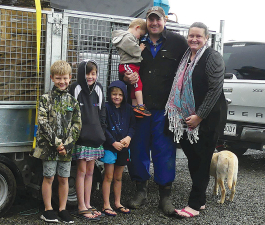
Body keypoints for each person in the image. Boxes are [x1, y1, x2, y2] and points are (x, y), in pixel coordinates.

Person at [120, 6, 188, 215]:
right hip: (139, 108)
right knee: (138, 149)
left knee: (164, 151)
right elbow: (123, 65)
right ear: (146, 22)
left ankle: (165, 196)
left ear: (165, 20)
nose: (154, 24)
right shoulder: (135, 41)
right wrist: (125, 78)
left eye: (158, 20)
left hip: (166, 109)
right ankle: (141, 190)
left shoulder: (178, 42)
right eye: (151, 20)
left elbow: (189, 68)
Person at [165, 22, 227, 218]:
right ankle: (200, 200)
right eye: (191, 36)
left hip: (208, 119)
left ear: (206, 38)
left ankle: (193, 205)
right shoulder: (186, 56)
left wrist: (199, 116)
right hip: (186, 119)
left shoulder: (212, 57)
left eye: (198, 36)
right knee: (193, 159)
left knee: (201, 160)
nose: (194, 39)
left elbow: (214, 90)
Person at [32, 60, 82, 223]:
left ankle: (62, 208)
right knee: (49, 177)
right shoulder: (45, 99)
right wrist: (57, 143)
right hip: (49, 148)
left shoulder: (73, 101)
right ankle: (48, 209)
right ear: (52, 78)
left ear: (70, 78)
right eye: (59, 78)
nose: (62, 82)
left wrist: (67, 144)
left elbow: (77, 123)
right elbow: (43, 122)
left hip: (66, 149)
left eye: (65, 78)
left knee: (64, 178)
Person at [69, 60, 106, 220]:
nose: (91, 76)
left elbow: (102, 111)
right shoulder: (75, 88)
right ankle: (81, 206)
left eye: (93, 73)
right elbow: (71, 113)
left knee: (91, 172)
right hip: (81, 139)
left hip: (95, 138)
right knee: (81, 172)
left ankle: (88, 203)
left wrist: (102, 132)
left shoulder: (99, 88)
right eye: (88, 73)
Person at [100, 80, 136, 216]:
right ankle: (106, 204)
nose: (117, 97)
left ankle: (117, 203)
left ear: (124, 95)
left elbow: (133, 126)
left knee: (119, 177)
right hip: (110, 147)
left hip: (124, 148)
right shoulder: (106, 107)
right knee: (108, 176)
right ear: (110, 94)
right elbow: (103, 127)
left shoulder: (128, 109)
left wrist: (129, 138)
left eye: (120, 95)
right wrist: (113, 142)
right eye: (114, 94)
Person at [112, 18, 151, 117]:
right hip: (128, 65)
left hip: (132, 65)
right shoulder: (127, 37)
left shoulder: (128, 37)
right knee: (138, 83)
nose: (139, 38)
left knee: (134, 86)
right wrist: (140, 48)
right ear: (137, 27)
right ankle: (140, 106)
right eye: (140, 35)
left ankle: (134, 107)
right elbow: (133, 50)